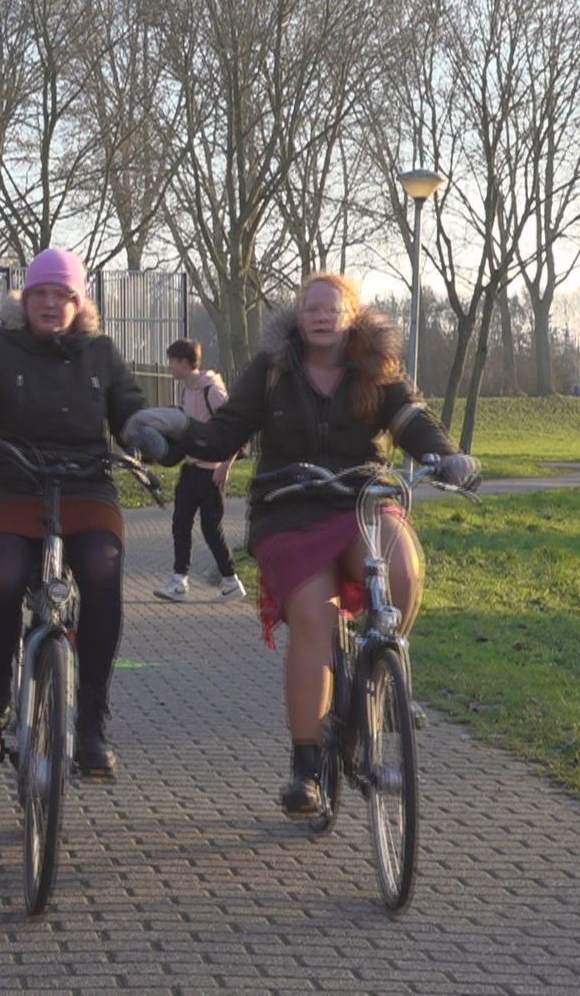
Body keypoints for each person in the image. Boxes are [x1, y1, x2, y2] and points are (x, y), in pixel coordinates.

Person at [125, 272, 478, 816]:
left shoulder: (376, 371)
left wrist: (448, 458)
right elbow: (225, 432)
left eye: (331, 309)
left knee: (403, 568)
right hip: (289, 507)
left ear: (351, 317)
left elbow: (412, 421)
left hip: (360, 498)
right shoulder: (272, 371)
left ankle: (374, 681)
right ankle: (308, 767)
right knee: (313, 615)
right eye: (310, 307)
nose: (319, 316)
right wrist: (169, 436)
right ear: (298, 314)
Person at [0, 247, 158, 778]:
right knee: (2, 575)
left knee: (102, 568)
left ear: (79, 303)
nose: (51, 304)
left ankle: (93, 719)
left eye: (63, 295)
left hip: (85, 483)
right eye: (41, 294)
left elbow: (129, 410)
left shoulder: (101, 353)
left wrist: (147, 434)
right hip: (14, 481)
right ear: (25, 299)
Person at [153, 339, 246, 603]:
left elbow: (235, 430)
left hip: (212, 472)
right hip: (191, 469)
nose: (169, 366)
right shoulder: (186, 391)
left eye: (172, 361)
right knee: (180, 523)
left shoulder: (212, 391)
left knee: (210, 528)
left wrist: (225, 467)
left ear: (184, 363)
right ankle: (179, 581)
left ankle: (230, 581)